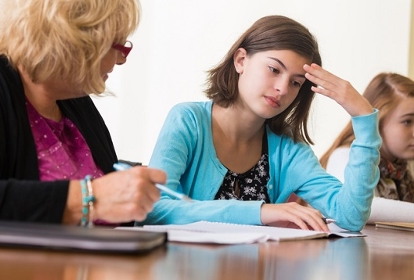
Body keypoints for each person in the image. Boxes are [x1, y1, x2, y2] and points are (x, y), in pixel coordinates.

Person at [139, 15, 381, 232]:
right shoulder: (188, 120)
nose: (283, 88)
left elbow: (350, 217)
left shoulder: (290, 149)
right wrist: (262, 212)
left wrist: (363, 118)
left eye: (296, 83)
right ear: (241, 60)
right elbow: (156, 209)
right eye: (274, 69)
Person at [0, 0, 166, 226]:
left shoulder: (75, 102)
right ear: (75, 40)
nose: (122, 59)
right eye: (119, 46)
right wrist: (87, 198)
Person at [320, 73, 414, 224]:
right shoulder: (345, 156)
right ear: (378, 120)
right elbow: (363, 208)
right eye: (407, 121)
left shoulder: (403, 166)